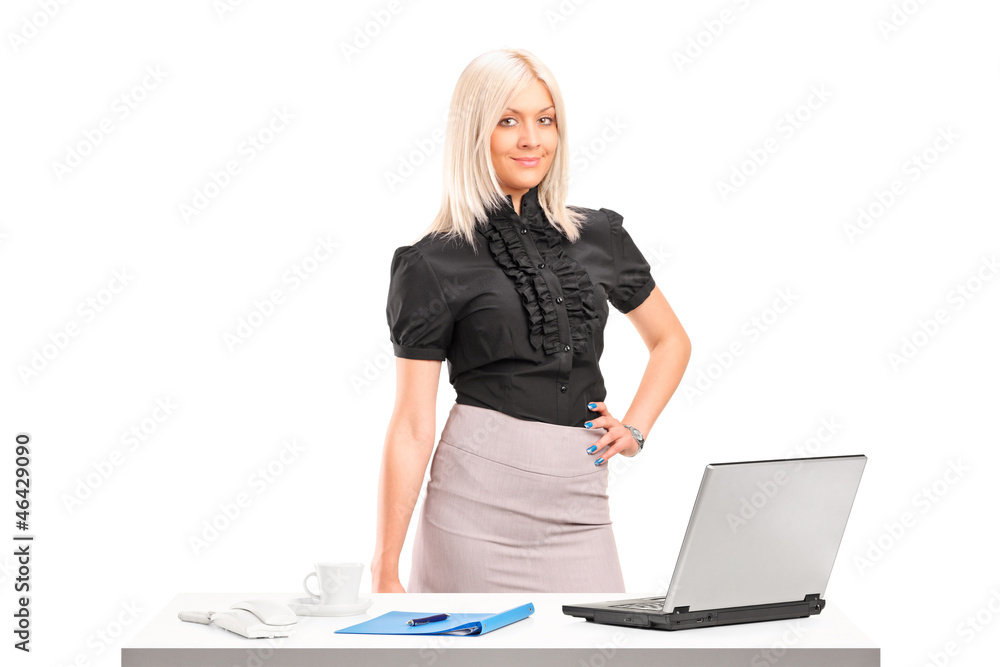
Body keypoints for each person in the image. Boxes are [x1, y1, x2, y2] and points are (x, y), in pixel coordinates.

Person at [372, 48, 691, 594]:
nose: (532, 139)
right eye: (508, 121)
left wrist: (635, 428)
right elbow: (411, 425)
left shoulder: (599, 237)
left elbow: (670, 341)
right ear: (474, 132)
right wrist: (385, 567)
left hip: (581, 503)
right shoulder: (431, 262)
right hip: (472, 510)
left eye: (545, 120)